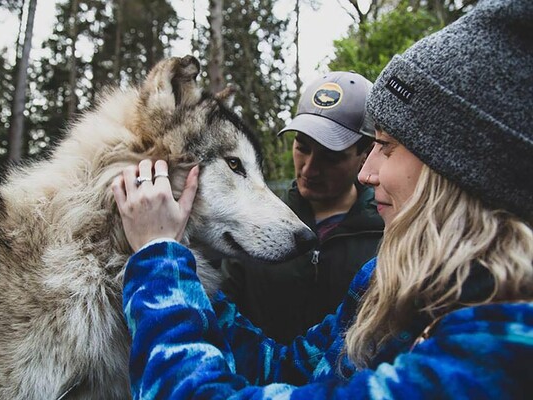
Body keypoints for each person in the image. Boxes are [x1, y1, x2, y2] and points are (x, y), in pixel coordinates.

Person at [112, 0, 533, 397]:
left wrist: (159, 261)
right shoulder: (395, 285)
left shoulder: (496, 357)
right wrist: (191, 283)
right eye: (302, 146)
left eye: (386, 148)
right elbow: (283, 370)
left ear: (457, 167)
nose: (368, 173)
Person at [221, 71, 384, 343]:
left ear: (364, 155)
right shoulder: (256, 222)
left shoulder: (387, 238)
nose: (309, 168)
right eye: (302, 147)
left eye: (331, 157)